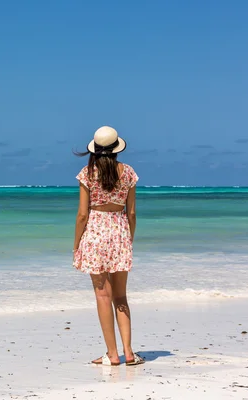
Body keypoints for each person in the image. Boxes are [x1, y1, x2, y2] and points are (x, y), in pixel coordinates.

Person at [72, 126, 145, 366]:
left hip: (94, 232)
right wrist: (128, 239)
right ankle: (129, 352)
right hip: (119, 231)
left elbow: (82, 215)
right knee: (121, 296)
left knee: (103, 296)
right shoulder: (129, 172)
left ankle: (113, 355)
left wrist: (76, 245)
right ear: (116, 149)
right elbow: (131, 213)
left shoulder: (87, 173)